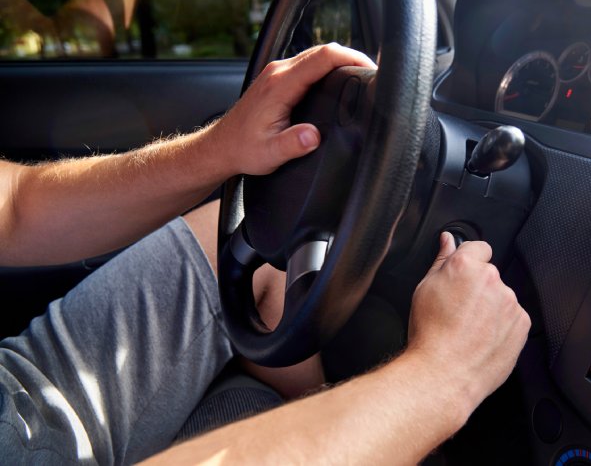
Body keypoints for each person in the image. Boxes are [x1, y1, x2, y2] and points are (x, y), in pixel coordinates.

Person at [0, 43, 531, 464]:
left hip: (21, 391)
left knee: (254, 262)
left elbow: (14, 206)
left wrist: (221, 149)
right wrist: (441, 378)